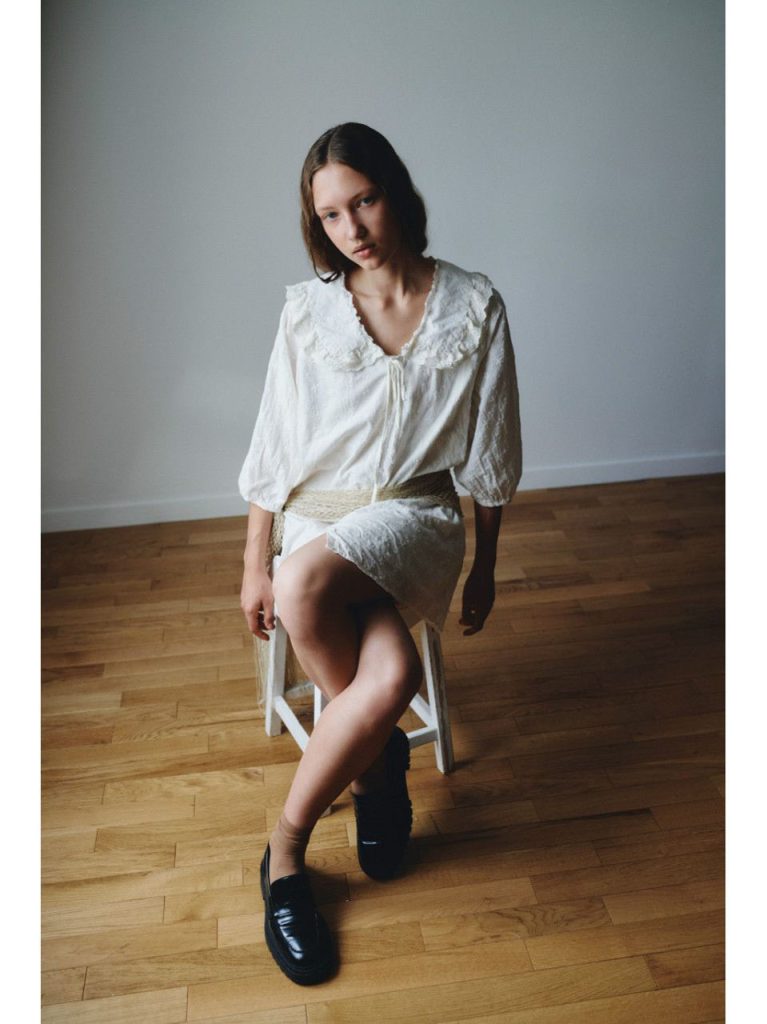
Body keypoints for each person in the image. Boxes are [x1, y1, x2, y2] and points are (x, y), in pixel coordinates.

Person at [238, 122, 522, 985]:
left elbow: (491, 449)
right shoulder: (307, 310)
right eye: (330, 215)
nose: (351, 228)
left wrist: (485, 565)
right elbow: (274, 445)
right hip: (315, 517)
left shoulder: (473, 305)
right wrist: (252, 562)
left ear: (394, 191)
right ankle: (377, 760)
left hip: (414, 516)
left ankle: (285, 851)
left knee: (304, 583)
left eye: (362, 201)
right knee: (387, 676)